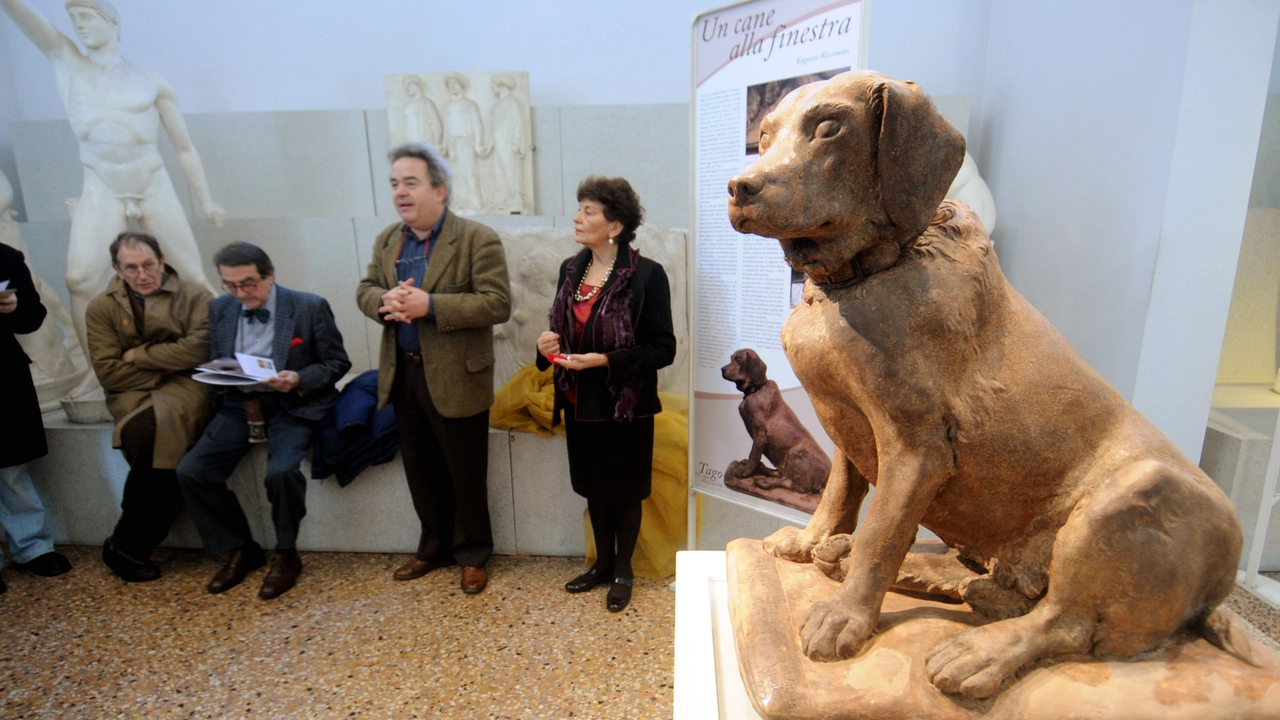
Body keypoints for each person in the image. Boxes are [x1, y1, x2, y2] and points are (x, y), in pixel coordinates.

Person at [0, 0, 223, 397]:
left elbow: (184, 148)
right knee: (80, 279)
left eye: (87, 17)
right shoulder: (68, 63)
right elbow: (27, 19)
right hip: (101, 182)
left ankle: (230, 361)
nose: (79, 26)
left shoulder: (149, 79)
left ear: (111, 22)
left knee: (193, 278)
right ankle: (99, 373)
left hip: (151, 180)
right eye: (73, 19)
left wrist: (206, 199)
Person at [356, 142, 510, 594]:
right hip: (403, 372)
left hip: (457, 376)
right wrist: (382, 301)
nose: (400, 192)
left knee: (465, 472)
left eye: (411, 182)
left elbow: (496, 304)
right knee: (420, 469)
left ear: (439, 190)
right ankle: (433, 546)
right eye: (394, 184)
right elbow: (365, 287)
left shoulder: (477, 238)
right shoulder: (388, 239)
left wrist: (430, 305)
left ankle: (473, 553)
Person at [177, 242, 350, 600]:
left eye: (248, 283)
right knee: (192, 471)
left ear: (269, 275)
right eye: (231, 285)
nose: (241, 293)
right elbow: (220, 359)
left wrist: (297, 378)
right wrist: (220, 375)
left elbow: (336, 363)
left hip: (290, 405)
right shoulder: (221, 308)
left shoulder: (308, 306)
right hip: (238, 406)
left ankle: (286, 554)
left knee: (282, 473)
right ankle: (241, 547)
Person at [536, 176, 675, 612]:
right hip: (579, 401)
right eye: (580, 208)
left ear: (614, 225)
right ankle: (601, 565)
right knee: (595, 488)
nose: (578, 218)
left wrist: (604, 362)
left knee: (626, 490)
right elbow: (562, 328)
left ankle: (622, 571)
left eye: (589, 211)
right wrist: (546, 347)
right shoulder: (570, 269)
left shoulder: (647, 275)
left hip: (625, 406)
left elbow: (663, 348)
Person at [85, 232, 212, 582]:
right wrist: (168, 363)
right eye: (131, 267)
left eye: (148, 265)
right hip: (133, 392)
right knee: (144, 433)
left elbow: (199, 351)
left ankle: (127, 544)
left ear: (161, 261)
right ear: (116, 268)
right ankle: (126, 544)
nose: (142, 274)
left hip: (190, 388)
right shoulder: (100, 307)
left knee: (154, 433)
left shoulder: (195, 295)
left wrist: (139, 355)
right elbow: (108, 371)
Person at [0, 242, 72, 591]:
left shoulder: (6, 257)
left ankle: (33, 547)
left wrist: (14, 306)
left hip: (1, 373)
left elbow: (33, 316)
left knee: (12, 468)